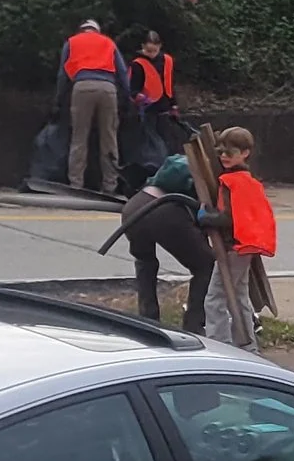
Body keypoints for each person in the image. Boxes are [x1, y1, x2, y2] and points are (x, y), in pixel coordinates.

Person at [115, 148, 211, 333]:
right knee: (206, 265)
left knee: (145, 262)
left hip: (134, 206)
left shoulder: (180, 163)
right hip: (163, 212)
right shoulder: (210, 171)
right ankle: (195, 325)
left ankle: (148, 321)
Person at [202, 125, 276, 350]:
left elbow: (230, 218)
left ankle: (219, 346)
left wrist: (206, 218)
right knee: (240, 296)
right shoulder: (249, 181)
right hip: (245, 247)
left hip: (235, 247)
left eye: (230, 152)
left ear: (245, 153)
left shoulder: (231, 183)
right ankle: (247, 347)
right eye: (221, 151)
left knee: (215, 299)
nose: (224, 156)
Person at [59, 17, 125, 195]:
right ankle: (110, 185)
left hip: (82, 87)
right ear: (97, 31)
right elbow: (122, 71)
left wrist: (59, 100)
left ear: (82, 30)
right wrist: (128, 95)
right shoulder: (108, 42)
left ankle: (76, 185)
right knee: (109, 139)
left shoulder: (72, 42)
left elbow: (62, 74)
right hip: (107, 89)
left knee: (79, 137)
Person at [129, 30, 181, 141]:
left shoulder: (167, 60)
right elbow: (133, 88)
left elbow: (170, 84)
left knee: (166, 138)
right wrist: (137, 96)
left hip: (164, 107)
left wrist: (174, 105)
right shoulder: (137, 64)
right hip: (147, 109)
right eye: (148, 51)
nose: (152, 54)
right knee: (151, 139)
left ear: (160, 46)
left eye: (155, 51)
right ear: (143, 46)